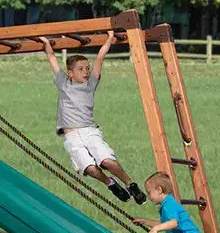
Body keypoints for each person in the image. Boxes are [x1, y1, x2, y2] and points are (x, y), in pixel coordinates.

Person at [38, 33, 146, 204]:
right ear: (70, 73)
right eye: (81, 69)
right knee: (89, 168)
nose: (86, 72)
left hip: (89, 131)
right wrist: (47, 44)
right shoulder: (63, 83)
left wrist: (109, 39)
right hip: (71, 136)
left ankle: (130, 185)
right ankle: (110, 183)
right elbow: (52, 58)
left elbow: (100, 58)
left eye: (87, 68)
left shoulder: (91, 84)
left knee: (107, 161)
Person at [132, 172, 206, 233]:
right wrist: (145, 221)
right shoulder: (168, 203)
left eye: (149, 193)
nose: (149, 197)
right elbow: (165, 224)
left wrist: (156, 229)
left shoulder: (168, 204)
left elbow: (174, 223)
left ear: (159, 190)